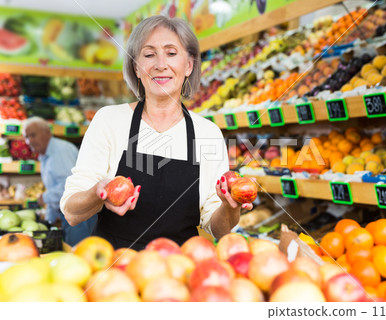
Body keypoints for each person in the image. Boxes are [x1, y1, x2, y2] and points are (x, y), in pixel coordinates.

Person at [60, 15, 252, 250]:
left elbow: (220, 229)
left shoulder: (208, 133)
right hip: (113, 266)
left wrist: (230, 207)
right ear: (136, 68)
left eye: (171, 53)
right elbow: (71, 212)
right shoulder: (109, 120)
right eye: (149, 54)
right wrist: (96, 193)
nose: (160, 64)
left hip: (179, 269)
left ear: (189, 65)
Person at [22, 117, 97, 246]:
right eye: (26, 137)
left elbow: (68, 187)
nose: (29, 141)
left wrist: (44, 198)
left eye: (33, 135)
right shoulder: (46, 155)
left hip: (80, 215)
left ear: (47, 132)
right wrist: (50, 218)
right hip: (69, 214)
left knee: (78, 255)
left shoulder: (61, 151)